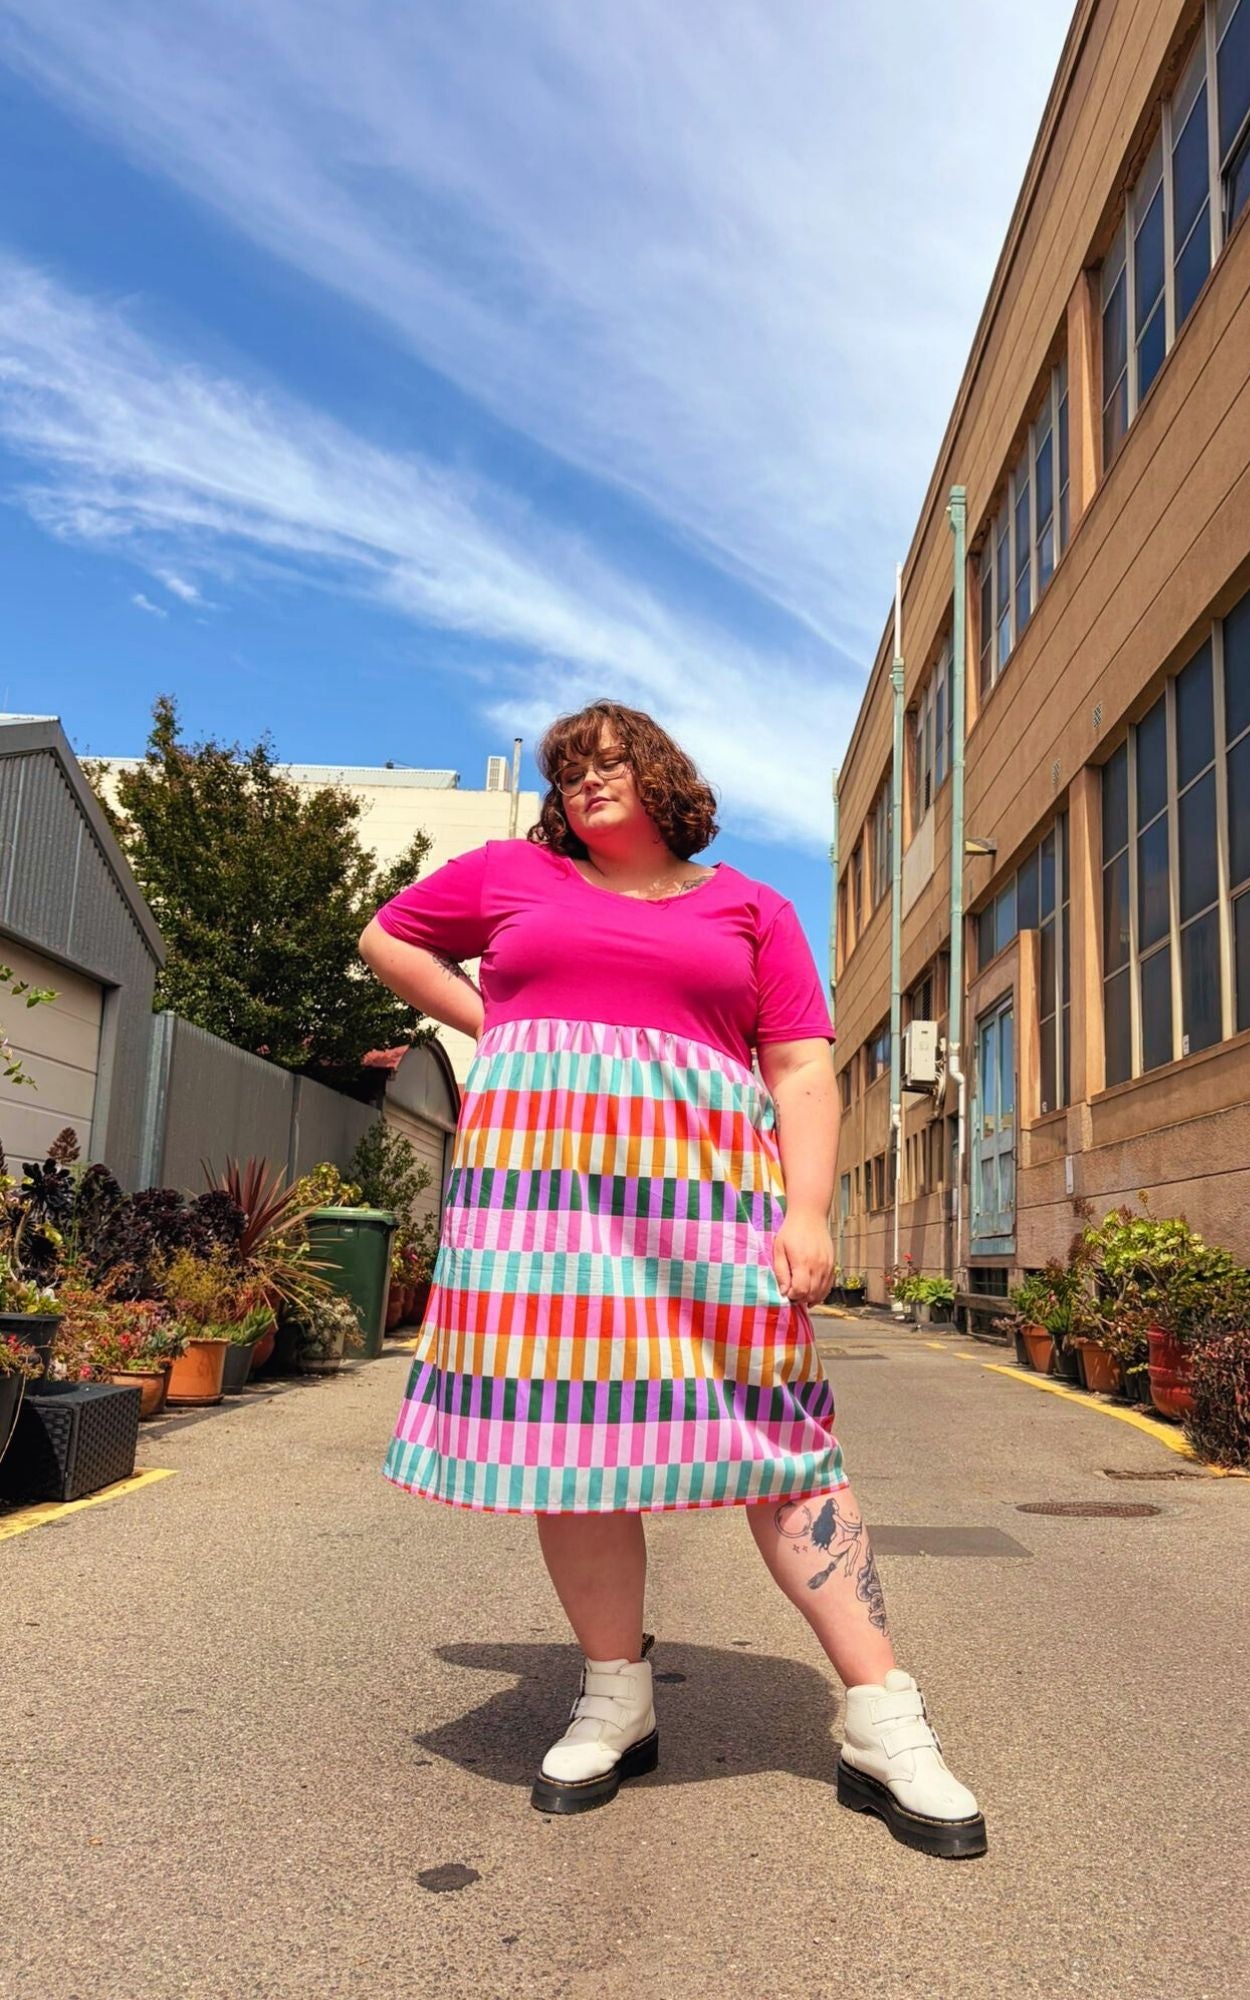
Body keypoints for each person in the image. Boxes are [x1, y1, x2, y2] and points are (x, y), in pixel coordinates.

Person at [358, 700, 986, 1859]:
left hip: (709, 1199)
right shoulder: (509, 876)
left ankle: (880, 1713)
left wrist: (808, 1210)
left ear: (660, 775)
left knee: (781, 1437)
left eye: (610, 762)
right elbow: (386, 937)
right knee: (569, 1436)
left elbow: (800, 1068)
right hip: (538, 1205)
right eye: (569, 771)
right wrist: (497, 1020)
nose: (587, 781)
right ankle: (615, 1693)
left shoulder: (751, 906)